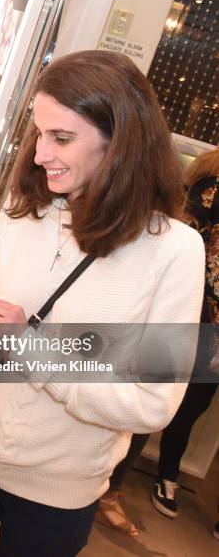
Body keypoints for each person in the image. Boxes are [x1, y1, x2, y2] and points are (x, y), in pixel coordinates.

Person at [0, 50, 205, 557]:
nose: (41, 154)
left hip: (57, 499)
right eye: (39, 133)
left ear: (120, 144)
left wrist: (31, 352)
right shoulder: (24, 205)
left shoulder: (174, 249)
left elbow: (153, 404)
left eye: (61, 138)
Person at [151, 149, 219, 519]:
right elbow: (193, 246)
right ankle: (166, 476)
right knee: (186, 404)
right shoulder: (211, 189)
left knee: (195, 404)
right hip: (204, 320)